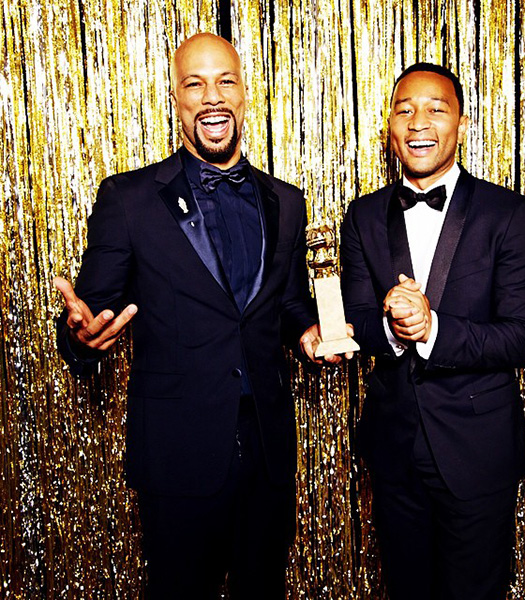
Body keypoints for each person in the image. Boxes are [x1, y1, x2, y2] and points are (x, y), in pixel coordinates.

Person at [54, 32, 345, 600]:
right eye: (195, 84)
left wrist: (307, 334)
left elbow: (286, 305)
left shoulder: (286, 201)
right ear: (176, 100)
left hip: (267, 452)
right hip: (178, 453)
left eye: (225, 81)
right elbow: (89, 314)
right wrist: (82, 340)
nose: (212, 97)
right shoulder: (129, 199)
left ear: (244, 94)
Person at [340, 63, 525, 599]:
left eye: (436, 109)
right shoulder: (363, 216)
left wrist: (432, 327)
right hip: (393, 451)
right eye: (405, 110)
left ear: (461, 123)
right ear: (390, 126)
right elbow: (356, 321)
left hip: (477, 453)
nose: (419, 123)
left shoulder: (511, 214)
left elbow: (523, 335)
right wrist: (392, 326)